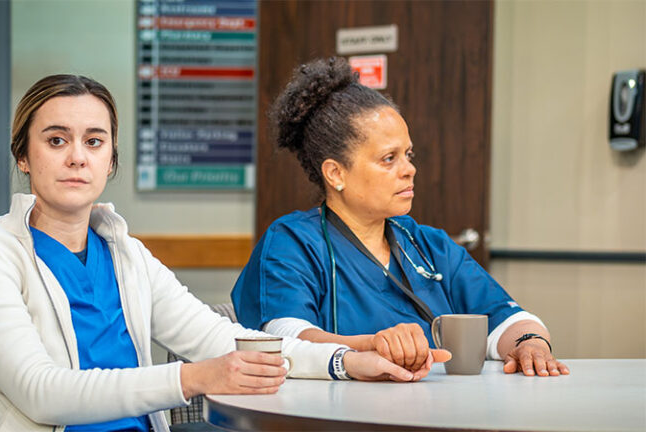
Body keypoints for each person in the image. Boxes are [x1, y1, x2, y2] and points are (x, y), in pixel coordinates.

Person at [0, 74, 451, 432]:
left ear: (111, 159)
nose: (78, 156)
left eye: (94, 141)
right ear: (23, 157)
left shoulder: (125, 255)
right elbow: (41, 392)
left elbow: (223, 338)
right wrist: (193, 378)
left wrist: (345, 360)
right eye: (57, 140)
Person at [232, 57, 569, 378]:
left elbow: (505, 318)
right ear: (336, 174)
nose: (409, 170)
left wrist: (531, 344)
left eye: (408, 155)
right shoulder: (292, 243)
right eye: (388, 158)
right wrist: (371, 347)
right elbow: (286, 341)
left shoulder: (428, 244)